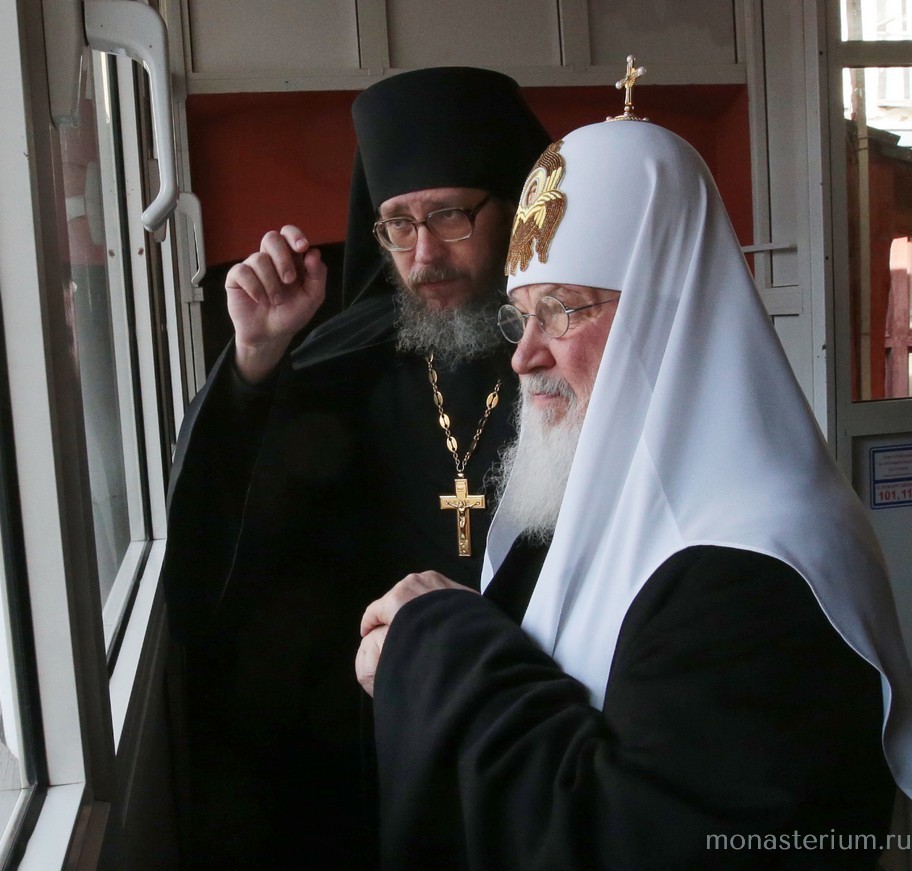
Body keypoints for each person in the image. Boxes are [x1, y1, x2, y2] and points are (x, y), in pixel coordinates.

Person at [356, 112, 912, 869]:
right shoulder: (573, 512)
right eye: (522, 315)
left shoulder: (754, 573)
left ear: (667, 313)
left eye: (562, 308)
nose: (524, 355)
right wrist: (419, 647)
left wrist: (434, 643)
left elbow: (630, 842)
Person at [161, 67, 551, 868]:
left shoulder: (571, 357)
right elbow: (226, 527)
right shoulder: (348, 366)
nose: (423, 255)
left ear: (517, 211)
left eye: (450, 216)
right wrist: (258, 356)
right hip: (373, 736)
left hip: (540, 716)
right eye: (398, 223)